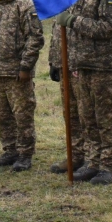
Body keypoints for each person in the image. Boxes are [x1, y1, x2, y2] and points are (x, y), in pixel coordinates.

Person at [56, 0, 112, 185]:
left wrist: (74, 21)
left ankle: (108, 165)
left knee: (104, 117)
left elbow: (108, 28)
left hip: (101, 64)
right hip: (82, 63)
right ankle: (93, 162)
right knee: (87, 117)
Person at [0, 0, 44, 172]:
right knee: (2, 115)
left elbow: (35, 38)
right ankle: (10, 150)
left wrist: (25, 67)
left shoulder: (25, 5)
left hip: (17, 73)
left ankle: (25, 154)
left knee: (22, 115)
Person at [48, 21, 86, 174]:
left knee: (85, 113)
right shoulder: (62, 1)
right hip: (64, 63)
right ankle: (75, 155)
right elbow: (56, 32)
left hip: (81, 64)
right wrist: (53, 61)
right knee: (70, 114)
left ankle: (92, 157)